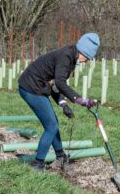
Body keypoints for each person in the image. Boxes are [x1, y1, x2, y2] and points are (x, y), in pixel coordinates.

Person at [18, 32, 100, 171]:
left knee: (53, 123)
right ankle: (37, 163)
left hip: (38, 86)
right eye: (87, 58)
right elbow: (61, 83)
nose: (86, 61)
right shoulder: (66, 57)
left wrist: (63, 104)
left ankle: (61, 157)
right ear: (83, 52)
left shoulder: (70, 57)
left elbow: (54, 84)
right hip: (30, 88)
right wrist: (80, 100)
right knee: (51, 126)